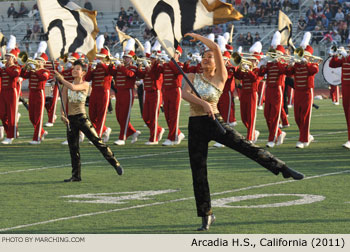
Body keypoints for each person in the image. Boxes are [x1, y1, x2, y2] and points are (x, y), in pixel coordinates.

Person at [182, 33, 304, 232]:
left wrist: (196, 36)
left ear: (217, 61)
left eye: (209, 57)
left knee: (246, 146)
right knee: (198, 172)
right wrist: (203, 103)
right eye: (203, 56)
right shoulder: (193, 76)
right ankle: (207, 215)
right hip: (195, 125)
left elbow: (214, 46)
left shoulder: (221, 76)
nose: (205, 59)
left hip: (215, 122)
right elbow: (184, 94)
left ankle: (282, 168)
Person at [54, 60, 123, 182]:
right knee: (73, 149)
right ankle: (76, 175)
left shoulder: (85, 85)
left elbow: (74, 87)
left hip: (82, 118)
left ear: (83, 72)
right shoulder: (65, 86)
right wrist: (62, 115)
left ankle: (115, 163)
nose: (74, 70)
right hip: (71, 120)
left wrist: (61, 79)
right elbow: (64, 103)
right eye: (73, 68)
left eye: (78, 69)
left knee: (97, 141)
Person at [109, 40, 141, 145]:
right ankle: (133, 132)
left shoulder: (134, 67)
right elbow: (112, 73)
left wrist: (120, 66)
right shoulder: (120, 67)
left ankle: (122, 138)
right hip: (119, 93)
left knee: (125, 115)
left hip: (128, 92)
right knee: (119, 115)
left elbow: (130, 75)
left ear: (131, 59)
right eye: (124, 57)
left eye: (127, 57)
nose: (125, 59)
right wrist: (110, 64)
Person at [20, 52, 50, 144]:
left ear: (43, 63)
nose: (37, 62)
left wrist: (35, 70)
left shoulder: (45, 71)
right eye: (36, 60)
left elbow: (43, 78)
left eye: (39, 61)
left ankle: (37, 139)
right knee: (31, 117)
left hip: (39, 94)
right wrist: (25, 67)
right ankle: (42, 132)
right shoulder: (32, 71)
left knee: (38, 117)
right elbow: (23, 75)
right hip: (31, 94)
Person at [0, 38, 20, 145]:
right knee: (2, 114)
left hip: (12, 92)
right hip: (3, 92)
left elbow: (15, 75)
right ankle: (10, 132)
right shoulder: (3, 68)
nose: (7, 58)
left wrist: (5, 68)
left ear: (13, 58)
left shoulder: (15, 67)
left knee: (11, 114)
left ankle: (10, 136)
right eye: (6, 56)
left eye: (9, 57)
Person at [329, 46, 350, 148]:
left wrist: (346, 55)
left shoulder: (347, 57)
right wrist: (334, 55)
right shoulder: (345, 58)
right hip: (346, 88)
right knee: (347, 114)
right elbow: (332, 65)